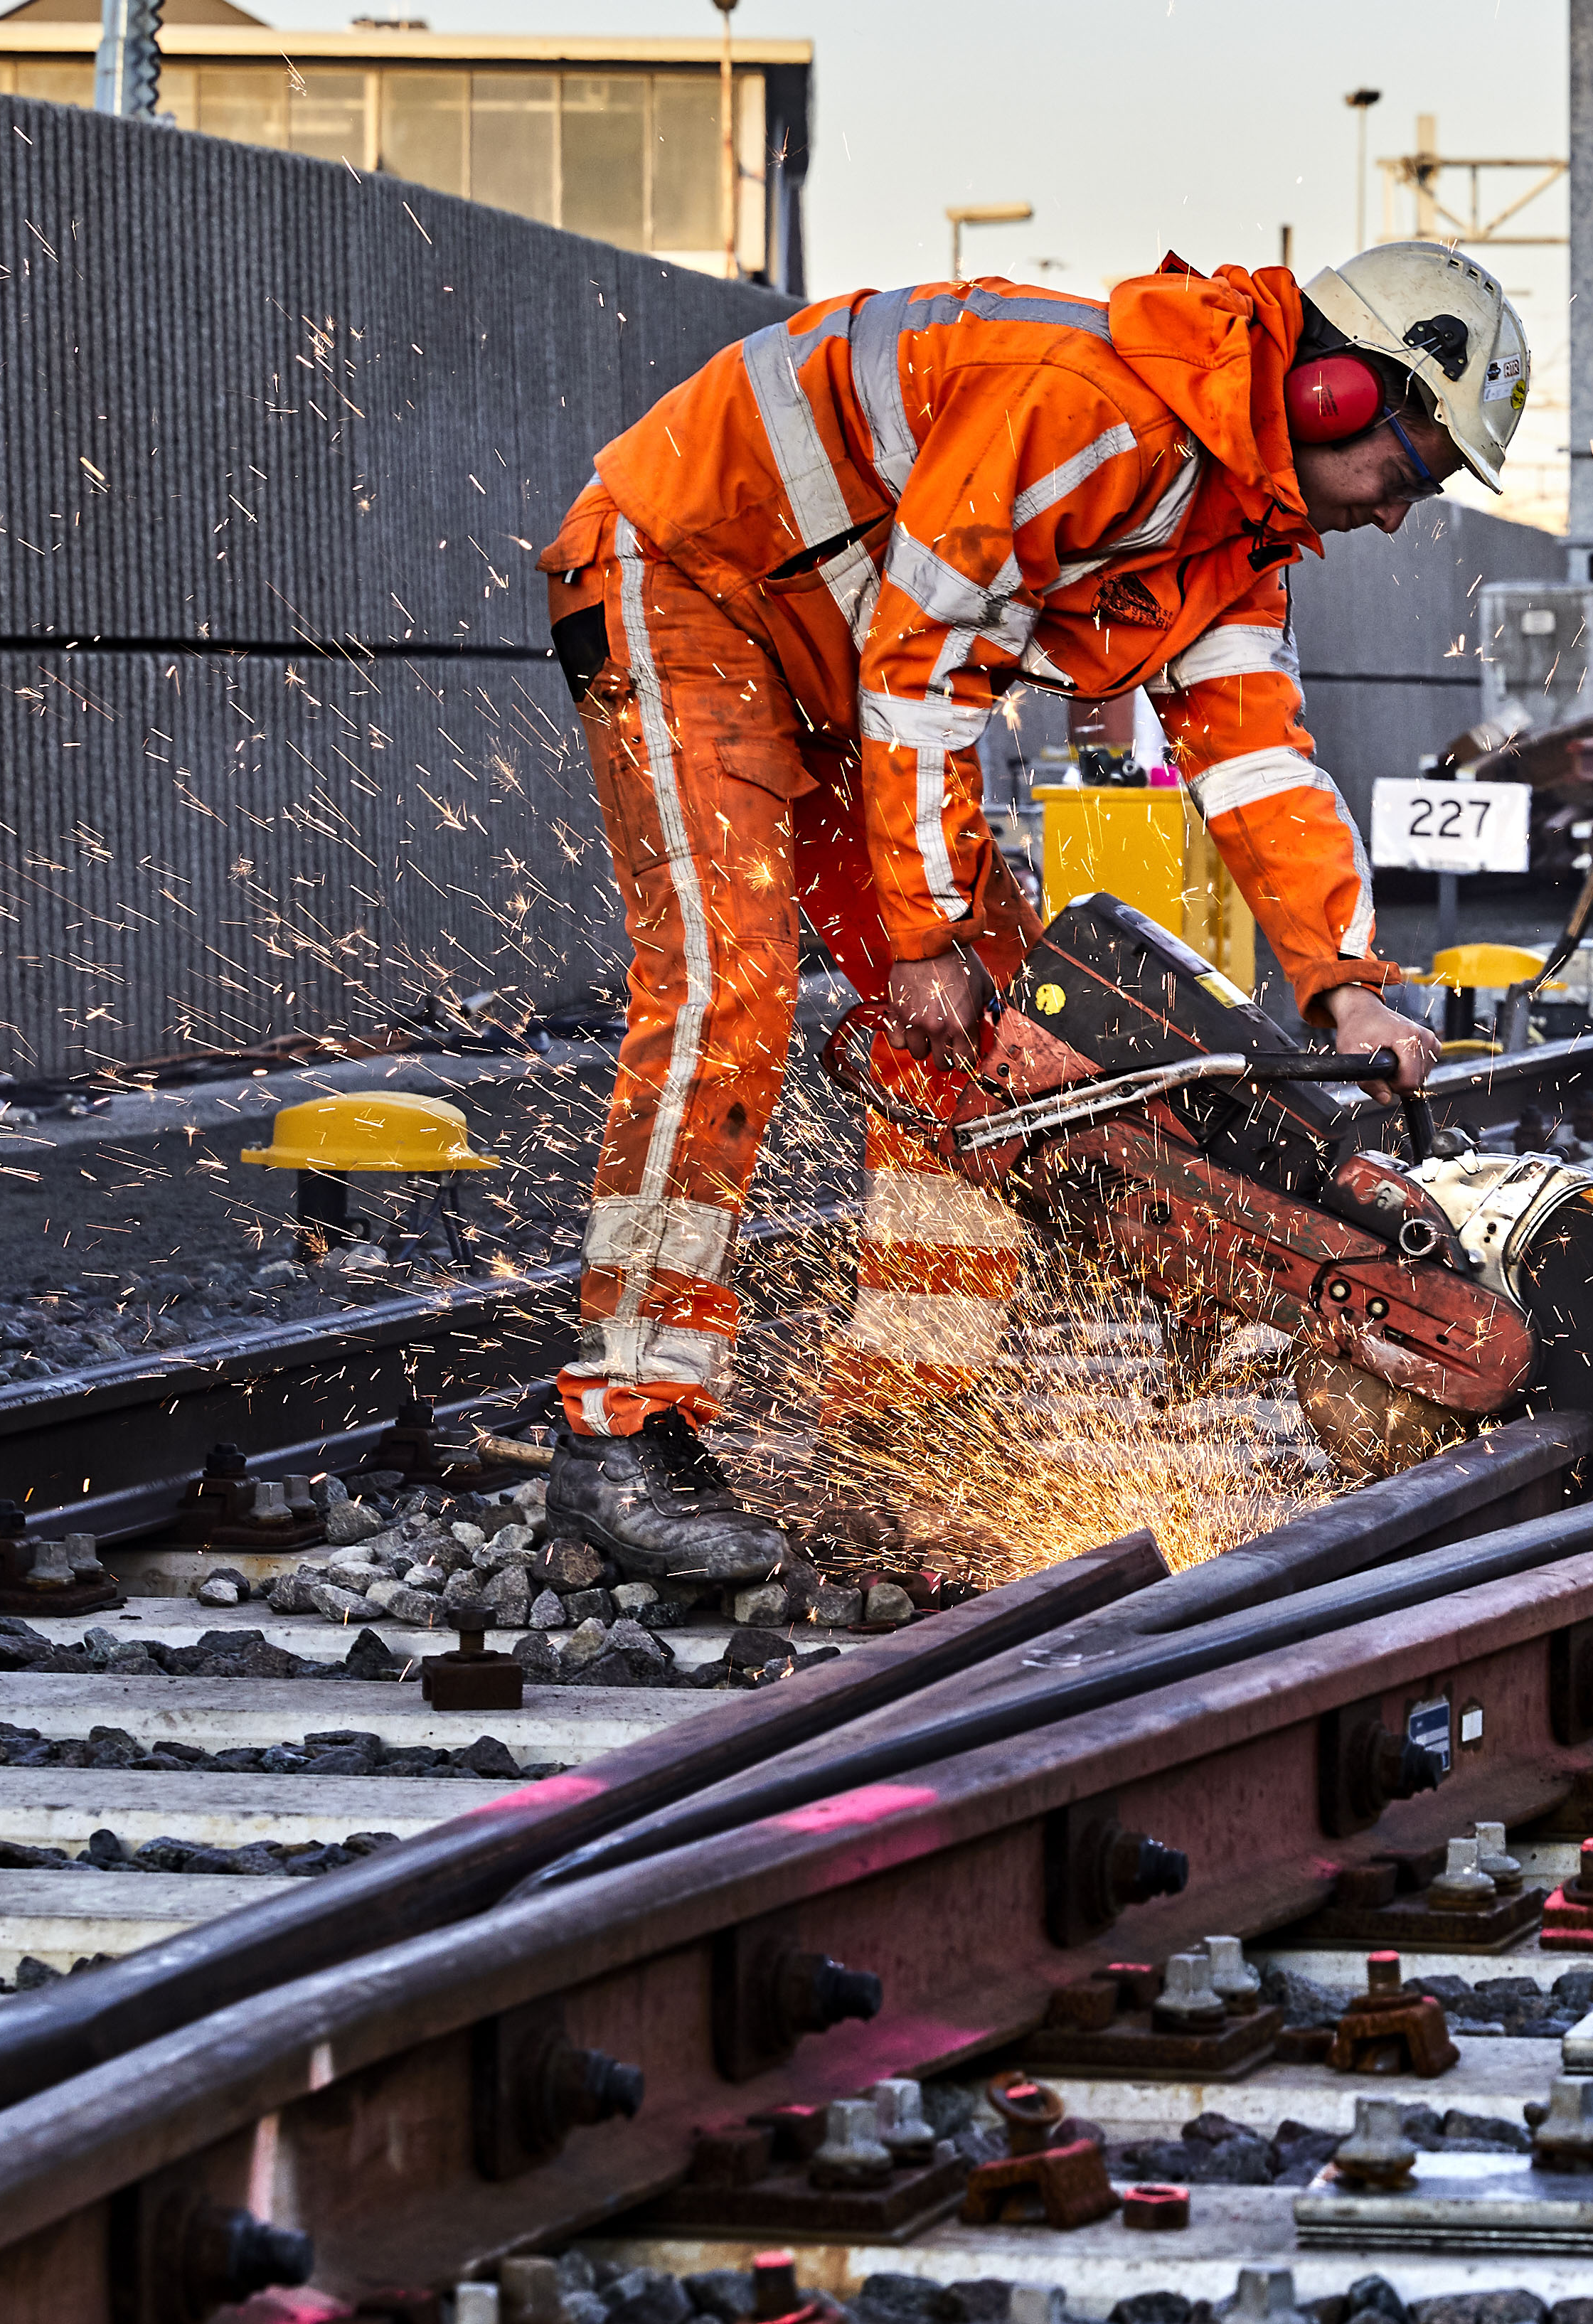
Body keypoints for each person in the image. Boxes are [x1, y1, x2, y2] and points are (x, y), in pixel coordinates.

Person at [530, 241, 1523, 1580]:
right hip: (683, 577)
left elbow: (1256, 758)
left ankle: (898, 1433)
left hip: (838, 663)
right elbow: (927, 658)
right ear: (1341, 393)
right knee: (730, 982)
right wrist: (924, 931)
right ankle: (623, 1429)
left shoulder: (1238, 526)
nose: (1398, 516)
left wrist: (1343, 979)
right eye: (1406, 475)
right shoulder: (1091, 406)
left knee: (1005, 1046)